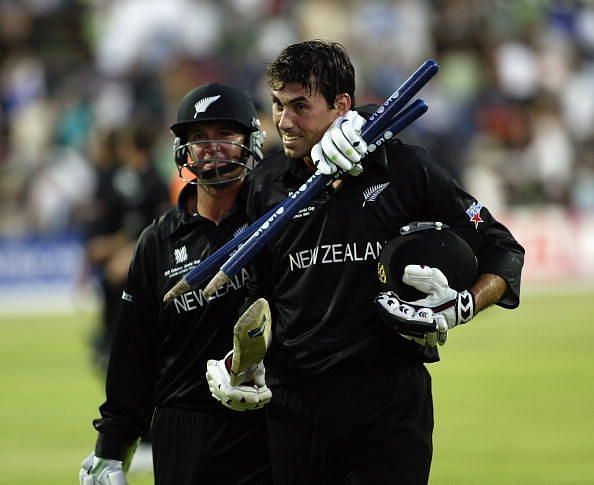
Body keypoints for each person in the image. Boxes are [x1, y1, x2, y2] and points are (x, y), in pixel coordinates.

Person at [207, 40, 525, 484]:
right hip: (296, 408)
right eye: (278, 105)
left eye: (300, 106)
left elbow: (503, 248)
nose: (283, 121)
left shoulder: (404, 168)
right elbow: (258, 296)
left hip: (389, 402)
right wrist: (243, 358)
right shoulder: (266, 184)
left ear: (341, 105)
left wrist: (463, 306)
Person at [80, 83, 273, 485]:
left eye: (225, 135)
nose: (212, 147)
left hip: (267, 425)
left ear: (250, 141)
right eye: (199, 138)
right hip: (183, 432)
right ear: (183, 149)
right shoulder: (158, 240)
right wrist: (112, 449)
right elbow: (133, 352)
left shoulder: (275, 220)